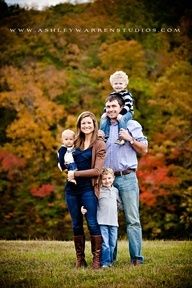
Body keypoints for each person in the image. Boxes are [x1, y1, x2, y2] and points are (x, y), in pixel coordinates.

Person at [103, 94, 148, 266]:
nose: (111, 110)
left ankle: (136, 258)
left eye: (114, 106)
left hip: (127, 177)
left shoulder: (131, 125)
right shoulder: (104, 128)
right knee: (109, 220)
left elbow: (144, 149)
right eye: (108, 107)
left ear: (121, 108)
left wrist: (130, 139)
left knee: (132, 219)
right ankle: (109, 259)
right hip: (108, 180)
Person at [58, 111, 106, 269]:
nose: (86, 125)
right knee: (76, 224)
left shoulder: (99, 144)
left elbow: (98, 171)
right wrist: (63, 166)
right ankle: (80, 259)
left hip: (88, 189)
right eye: (83, 123)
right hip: (71, 190)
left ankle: (96, 260)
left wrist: (75, 173)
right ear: (79, 125)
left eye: (89, 123)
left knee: (92, 222)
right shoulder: (75, 141)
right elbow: (64, 157)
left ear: (94, 125)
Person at [81, 168, 122, 268]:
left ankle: (110, 261)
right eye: (104, 179)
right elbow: (92, 204)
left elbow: (120, 204)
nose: (107, 181)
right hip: (102, 221)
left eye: (109, 178)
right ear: (100, 180)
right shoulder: (98, 191)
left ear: (113, 178)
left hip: (113, 222)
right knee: (105, 244)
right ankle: (105, 263)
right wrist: (84, 208)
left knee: (112, 243)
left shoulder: (116, 191)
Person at [100, 71, 134, 145]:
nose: (118, 85)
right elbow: (107, 105)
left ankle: (121, 137)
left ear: (125, 85)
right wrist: (105, 113)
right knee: (103, 118)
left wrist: (121, 114)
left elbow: (128, 105)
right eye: (116, 83)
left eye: (120, 83)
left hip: (128, 112)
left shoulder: (126, 94)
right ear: (112, 85)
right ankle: (104, 136)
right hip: (119, 112)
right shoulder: (112, 94)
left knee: (120, 119)